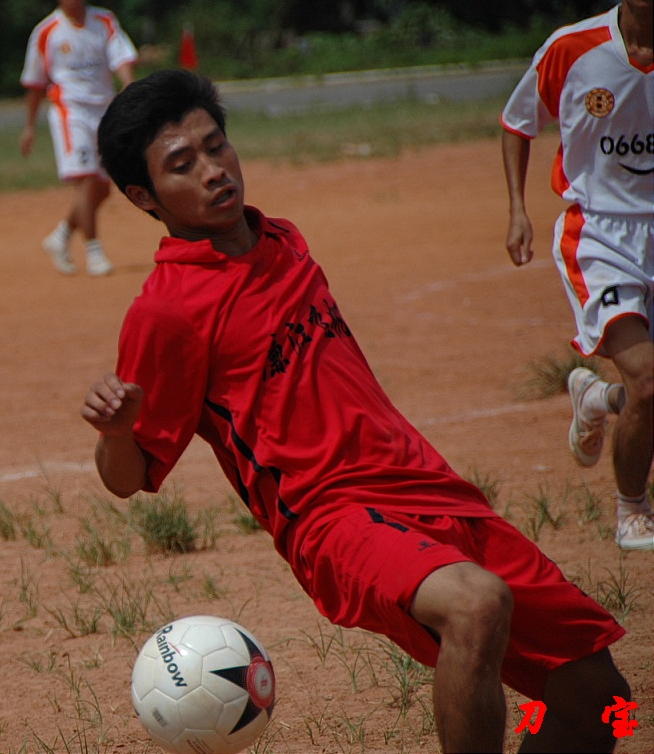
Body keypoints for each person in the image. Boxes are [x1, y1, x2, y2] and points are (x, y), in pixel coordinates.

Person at [81, 70, 631, 753]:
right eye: (182, 165)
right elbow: (127, 476)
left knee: (603, 704)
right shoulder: (167, 311)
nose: (213, 170)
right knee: (476, 603)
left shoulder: (281, 238)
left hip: (428, 486)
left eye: (216, 146)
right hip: (332, 518)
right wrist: (114, 433)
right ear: (143, 196)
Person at [500, 0, 653, 551]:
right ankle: (632, 510)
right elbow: (518, 122)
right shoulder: (573, 49)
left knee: (645, 392)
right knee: (647, 381)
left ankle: (598, 398)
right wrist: (518, 210)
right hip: (600, 237)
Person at [20, 0, 137, 277]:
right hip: (70, 112)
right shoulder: (47, 32)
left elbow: (122, 60)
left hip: (105, 111)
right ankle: (94, 250)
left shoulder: (104, 21)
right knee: (86, 180)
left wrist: (130, 93)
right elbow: (35, 83)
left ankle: (60, 237)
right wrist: (29, 127)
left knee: (102, 188)